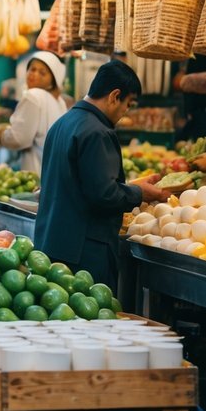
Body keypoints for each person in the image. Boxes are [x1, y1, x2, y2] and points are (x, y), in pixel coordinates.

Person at [35, 61, 168, 290]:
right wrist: (139, 193)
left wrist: (132, 186)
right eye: (128, 104)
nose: (125, 113)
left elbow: (78, 181)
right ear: (115, 96)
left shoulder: (63, 123)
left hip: (53, 244)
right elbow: (104, 195)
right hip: (85, 254)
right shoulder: (97, 131)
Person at [0, 52, 69, 172]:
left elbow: (19, 139)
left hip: (34, 172)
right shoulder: (59, 101)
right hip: (51, 173)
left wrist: (1, 135)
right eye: (32, 69)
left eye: (42, 73)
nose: (34, 74)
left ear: (52, 80)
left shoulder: (33, 96)